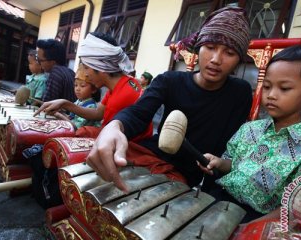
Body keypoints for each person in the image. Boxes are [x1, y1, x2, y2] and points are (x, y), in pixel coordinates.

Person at [85, 6, 253, 194]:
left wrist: (216, 169)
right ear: (198, 49)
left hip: (187, 175)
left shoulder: (241, 92)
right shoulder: (170, 80)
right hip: (153, 156)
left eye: (229, 53)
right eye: (211, 47)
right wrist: (115, 126)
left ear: (239, 60)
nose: (215, 59)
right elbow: (138, 114)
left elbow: (230, 145)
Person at [197, 45, 301, 223]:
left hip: (260, 219)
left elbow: (300, 208)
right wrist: (219, 162)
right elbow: (235, 164)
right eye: (267, 87)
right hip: (219, 201)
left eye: (284, 89)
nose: (271, 95)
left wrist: (252, 227)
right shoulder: (250, 129)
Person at [34, 32, 153, 140]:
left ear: (101, 67)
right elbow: (98, 113)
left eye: (86, 67)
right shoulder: (125, 83)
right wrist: (65, 103)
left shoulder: (121, 97)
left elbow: (106, 137)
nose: (85, 74)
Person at [54, 63, 101, 130]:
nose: (77, 89)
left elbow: (76, 127)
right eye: (76, 85)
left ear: (93, 90)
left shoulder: (91, 106)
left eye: (82, 86)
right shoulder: (77, 102)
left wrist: (60, 116)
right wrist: (62, 113)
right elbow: (72, 118)